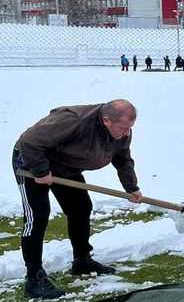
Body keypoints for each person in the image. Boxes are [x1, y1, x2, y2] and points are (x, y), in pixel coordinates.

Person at [13, 99, 142, 299]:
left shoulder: (122, 133)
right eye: (124, 128)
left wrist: (131, 187)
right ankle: (34, 278)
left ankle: (82, 261)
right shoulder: (74, 120)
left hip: (64, 166)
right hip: (30, 160)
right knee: (37, 216)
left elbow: (122, 158)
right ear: (107, 120)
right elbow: (30, 141)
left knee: (81, 207)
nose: (127, 133)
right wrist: (40, 170)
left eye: (130, 128)